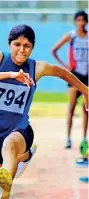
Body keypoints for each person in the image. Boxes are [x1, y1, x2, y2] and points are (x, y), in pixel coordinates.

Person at [0, 24, 88, 199]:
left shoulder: (36, 68)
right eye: (17, 44)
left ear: (32, 47)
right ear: (9, 44)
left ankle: (6, 188)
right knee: (3, 175)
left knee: (9, 147)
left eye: (27, 46)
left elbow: (63, 73)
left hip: (19, 129)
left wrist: (85, 90)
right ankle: (24, 158)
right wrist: (10, 75)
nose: (22, 50)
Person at [51, 10, 88, 149]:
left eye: (83, 20)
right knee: (71, 107)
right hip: (74, 75)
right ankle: (68, 138)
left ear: (86, 21)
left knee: (86, 109)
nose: (81, 23)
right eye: (78, 20)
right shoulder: (71, 36)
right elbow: (54, 50)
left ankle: (84, 138)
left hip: (86, 76)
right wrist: (65, 66)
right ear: (75, 22)